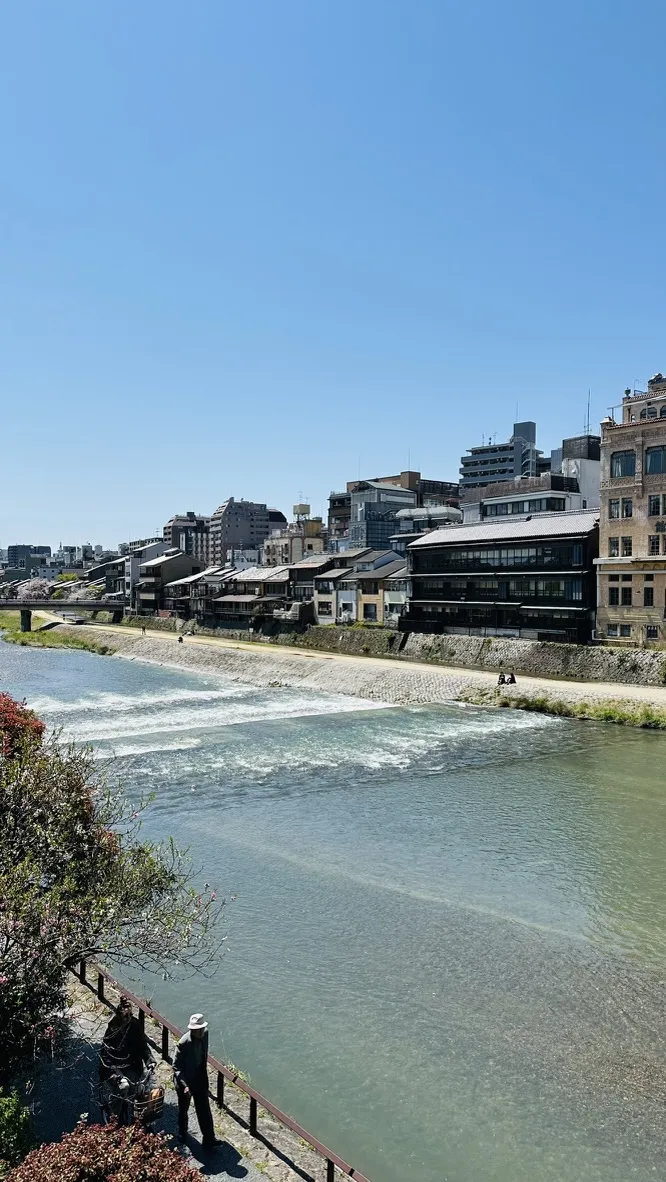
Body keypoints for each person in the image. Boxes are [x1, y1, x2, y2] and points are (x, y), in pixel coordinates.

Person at [173, 1014, 219, 1148]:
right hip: (185, 1081)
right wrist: (185, 1085)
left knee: (204, 1110)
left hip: (199, 1078)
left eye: (200, 1029)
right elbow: (176, 1067)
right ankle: (182, 1132)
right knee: (183, 1109)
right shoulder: (183, 1043)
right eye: (196, 1030)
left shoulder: (205, 1034)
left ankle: (209, 1139)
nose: (199, 1032)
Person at [100, 998, 154, 1085]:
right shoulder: (113, 1029)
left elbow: (142, 1045)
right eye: (126, 1016)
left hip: (133, 1065)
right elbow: (105, 1052)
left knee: (143, 1088)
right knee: (124, 1086)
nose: (129, 1018)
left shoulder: (135, 1025)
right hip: (116, 1066)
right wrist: (113, 1070)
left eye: (131, 1015)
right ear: (120, 1015)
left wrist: (149, 1060)